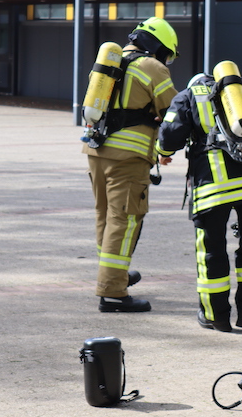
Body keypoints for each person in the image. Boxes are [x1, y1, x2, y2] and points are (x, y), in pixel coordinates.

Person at [157, 66, 242, 332]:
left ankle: (216, 316)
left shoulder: (188, 95)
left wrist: (162, 152)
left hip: (214, 186)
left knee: (211, 250)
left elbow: (169, 134)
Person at [83, 16, 179, 313]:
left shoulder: (109, 65)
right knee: (124, 221)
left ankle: (114, 276)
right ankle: (113, 292)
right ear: (159, 47)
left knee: (105, 216)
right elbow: (173, 112)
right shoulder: (152, 67)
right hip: (129, 158)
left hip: (96, 151)